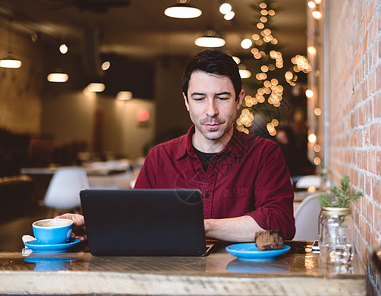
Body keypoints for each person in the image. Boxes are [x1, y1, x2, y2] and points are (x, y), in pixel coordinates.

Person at [58, 50, 295, 242]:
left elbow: (279, 224)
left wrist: (197, 226)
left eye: (222, 97)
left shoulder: (265, 154)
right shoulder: (159, 157)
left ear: (239, 100)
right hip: (170, 278)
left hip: (240, 281)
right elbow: (137, 220)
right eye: (199, 98)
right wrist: (92, 224)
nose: (211, 111)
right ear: (186, 101)